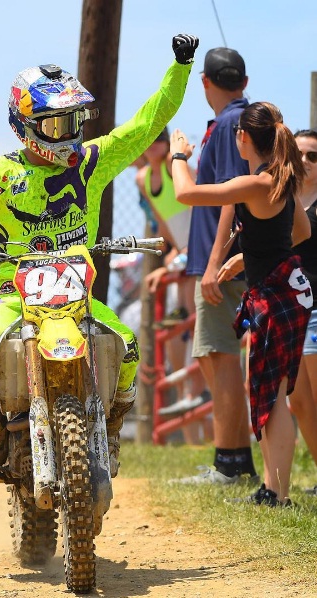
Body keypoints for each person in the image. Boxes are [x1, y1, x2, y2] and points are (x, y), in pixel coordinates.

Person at [0, 34, 200, 492]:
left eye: (73, 120)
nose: (68, 134)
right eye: (54, 124)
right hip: (17, 295)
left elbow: (149, 122)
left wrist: (181, 66)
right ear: (24, 125)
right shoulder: (1, 176)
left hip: (77, 295)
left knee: (128, 344)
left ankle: (109, 430)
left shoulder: (92, 161)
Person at [170, 101, 312, 506]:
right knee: (268, 390)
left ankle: (277, 494)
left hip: (276, 296)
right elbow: (299, 233)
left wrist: (180, 154)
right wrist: (247, 258)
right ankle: (272, 488)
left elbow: (185, 193)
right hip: (287, 291)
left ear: (243, 138)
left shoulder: (257, 184)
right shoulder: (279, 182)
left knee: (272, 394)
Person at [173, 47, 259, 484]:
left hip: (222, 266)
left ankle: (231, 464)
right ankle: (233, 460)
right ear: (243, 81)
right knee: (218, 358)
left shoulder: (228, 123)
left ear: (205, 82)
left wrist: (211, 264)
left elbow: (230, 195)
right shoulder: (238, 120)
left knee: (218, 357)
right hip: (230, 260)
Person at [135, 128, 207, 428]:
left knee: (195, 319)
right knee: (178, 326)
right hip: (183, 249)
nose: (153, 146)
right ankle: (185, 391)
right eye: (148, 140)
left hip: (199, 245)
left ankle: (199, 390)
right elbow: (164, 222)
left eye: (159, 139)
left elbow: (198, 207)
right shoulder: (142, 179)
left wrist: (181, 257)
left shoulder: (171, 167)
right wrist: (174, 255)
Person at [288, 129, 317, 495]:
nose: (307, 162)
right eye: (301, 154)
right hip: (289, 310)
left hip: (316, 310)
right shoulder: (280, 199)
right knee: (298, 400)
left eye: (314, 156)